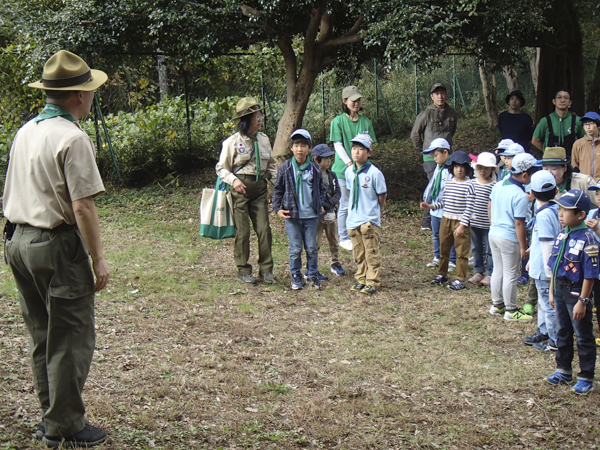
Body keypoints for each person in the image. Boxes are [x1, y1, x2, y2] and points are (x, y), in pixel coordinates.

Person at [3, 50, 109, 447]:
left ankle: (52, 414)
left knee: (43, 334)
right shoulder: (72, 137)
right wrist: (97, 258)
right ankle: (64, 426)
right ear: (79, 95)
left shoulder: (26, 129)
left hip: (18, 241)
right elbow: (82, 205)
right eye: (91, 90)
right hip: (55, 245)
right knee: (71, 336)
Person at [216, 97, 277, 284]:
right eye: (256, 116)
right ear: (246, 120)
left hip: (259, 191)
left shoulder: (264, 139)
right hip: (240, 192)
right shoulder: (232, 142)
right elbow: (221, 168)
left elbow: (272, 166)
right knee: (243, 232)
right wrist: (233, 181)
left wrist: (276, 186)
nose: (260, 119)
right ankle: (243, 270)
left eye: (260, 115)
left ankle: (266, 270)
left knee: (264, 230)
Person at [544, 190, 598, 396]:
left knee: (583, 335)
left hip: (576, 293)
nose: (560, 213)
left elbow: (590, 274)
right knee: (562, 332)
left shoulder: (588, 238)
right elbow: (555, 265)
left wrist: (583, 301)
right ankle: (563, 370)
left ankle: (585, 377)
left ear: (581, 215)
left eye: (566, 209)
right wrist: (551, 292)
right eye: (559, 208)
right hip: (559, 289)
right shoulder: (562, 234)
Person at [272, 129, 327, 290]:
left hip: (310, 216)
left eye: (303, 145)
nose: (300, 149)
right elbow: (278, 189)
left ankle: (312, 274)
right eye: (296, 145)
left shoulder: (315, 169)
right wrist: (277, 208)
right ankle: (295, 275)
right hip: (292, 216)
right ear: (291, 148)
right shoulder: (286, 167)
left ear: (310, 148)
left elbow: (322, 189)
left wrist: (320, 205)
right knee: (295, 248)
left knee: (312, 247)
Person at [488, 153, 537, 321]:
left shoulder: (499, 185)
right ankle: (511, 309)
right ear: (524, 175)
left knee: (498, 270)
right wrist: (524, 246)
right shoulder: (520, 195)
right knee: (510, 273)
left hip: (493, 233)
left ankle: (497, 304)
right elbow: (519, 224)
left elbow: (490, 204)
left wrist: (493, 224)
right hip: (509, 237)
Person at [330, 86, 377, 251]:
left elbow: (371, 145)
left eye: (359, 100)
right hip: (343, 171)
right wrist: (350, 165)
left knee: (360, 202)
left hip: (363, 171)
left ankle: (357, 231)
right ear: (345, 101)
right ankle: (343, 237)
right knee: (345, 203)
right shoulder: (337, 122)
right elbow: (338, 144)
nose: (357, 103)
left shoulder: (366, 122)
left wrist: (363, 164)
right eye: (353, 100)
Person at [421, 151, 473, 290]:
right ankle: (442, 274)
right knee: (444, 248)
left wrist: (462, 225)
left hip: (460, 221)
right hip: (446, 219)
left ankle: (460, 279)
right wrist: (430, 206)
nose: (459, 169)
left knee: (461, 251)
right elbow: (443, 202)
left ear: (467, 168)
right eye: (456, 166)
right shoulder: (449, 184)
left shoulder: (469, 185)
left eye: (462, 166)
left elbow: (469, 207)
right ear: (452, 168)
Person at [521, 170, 560, 352]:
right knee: (544, 305)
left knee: (548, 305)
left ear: (533, 194)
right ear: (556, 190)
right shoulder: (555, 210)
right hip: (541, 267)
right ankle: (544, 331)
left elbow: (547, 245)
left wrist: (549, 273)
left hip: (545, 271)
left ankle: (554, 340)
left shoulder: (543, 216)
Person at [411, 82, 458, 231]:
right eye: (437, 94)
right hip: (431, 159)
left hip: (447, 156)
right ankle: (427, 222)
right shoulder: (427, 113)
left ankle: (441, 216)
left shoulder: (452, 113)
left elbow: (453, 131)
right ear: (432, 96)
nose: (440, 96)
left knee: (447, 185)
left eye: (442, 93)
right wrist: (424, 150)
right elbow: (414, 134)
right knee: (434, 185)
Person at [345, 134, 387, 295]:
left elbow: (382, 195)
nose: (356, 152)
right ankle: (361, 277)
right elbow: (350, 192)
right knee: (358, 251)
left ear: (369, 152)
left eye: (361, 149)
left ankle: (372, 281)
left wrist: (377, 211)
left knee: (371, 251)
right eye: (354, 148)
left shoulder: (375, 173)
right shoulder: (349, 171)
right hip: (353, 219)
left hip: (369, 219)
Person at [311, 143, 347, 277]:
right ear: (316, 159)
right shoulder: (312, 175)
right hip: (316, 214)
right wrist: (321, 205)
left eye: (329, 158)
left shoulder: (332, 175)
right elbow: (312, 193)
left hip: (331, 212)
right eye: (325, 158)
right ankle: (313, 266)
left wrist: (330, 204)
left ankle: (335, 262)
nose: (328, 161)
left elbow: (338, 192)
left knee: (333, 239)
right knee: (315, 241)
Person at [421, 138, 456, 270]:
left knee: (448, 235)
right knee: (436, 234)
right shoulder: (438, 167)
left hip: (447, 209)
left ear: (445, 153)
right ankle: (438, 256)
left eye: (436, 155)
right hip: (434, 208)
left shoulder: (452, 169)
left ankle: (451, 260)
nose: (434, 158)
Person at [463, 152, 497, 287]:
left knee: (490, 249)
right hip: (474, 221)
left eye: (486, 168)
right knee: (476, 247)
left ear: (492, 169)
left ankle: (490, 272)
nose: (483, 171)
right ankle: (478, 271)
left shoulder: (495, 185)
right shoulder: (471, 183)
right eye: (480, 168)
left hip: (489, 223)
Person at [531, 88, 585, 158]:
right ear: (554, 101)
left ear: (570, 102)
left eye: (566, 98)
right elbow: (535, 141)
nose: (562, 100)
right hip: (550, 163)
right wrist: (546, 151)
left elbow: (584, 141)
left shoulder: (577, 121)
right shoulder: (545, 120)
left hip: (571, 161)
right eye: (559, 97)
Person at [584, 182, 600, 346]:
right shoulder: (592, 213)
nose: (599, 197)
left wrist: (596, 230)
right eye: (597, 194)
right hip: (592, 267)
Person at [497, 90, 534, 156]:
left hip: (522, 151)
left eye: (517, 99)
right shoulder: (502, 116)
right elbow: (501, 130)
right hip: (505, 150)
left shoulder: (526, 118)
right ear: (509, 101)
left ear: (521, 102)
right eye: (512, 99)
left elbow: (530, 136)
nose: (514, 101)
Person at [571, 111, 600, 181]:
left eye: (591, 123)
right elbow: (574, 166)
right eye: (585, 124)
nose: (588, 127)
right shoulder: (578, 144)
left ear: (598, 126)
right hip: (583, 183)